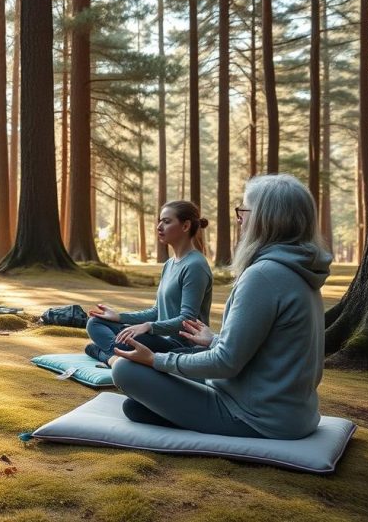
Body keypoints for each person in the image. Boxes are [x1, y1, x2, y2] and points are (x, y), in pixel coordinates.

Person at [112, 174, 331, 439]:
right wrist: (214, 339)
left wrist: (154, 359)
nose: (240, 219)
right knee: (136, 407)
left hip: (256, 416)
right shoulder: (299, 271)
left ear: (266, 218)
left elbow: (226, 363)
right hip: (293, 412)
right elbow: (269, 351)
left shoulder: (263, 275)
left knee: (125, 370)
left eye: (244, 211)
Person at [84, 201, 213, 365]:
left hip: (181, 347)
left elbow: (187, 320)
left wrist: (148, 327)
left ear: (186, 226)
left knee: (97, 346)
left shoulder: (195, 266)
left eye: (166, 222)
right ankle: (115, 357)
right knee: (96, 322)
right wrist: (118, 316)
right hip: (159, 339)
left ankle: (112, 357)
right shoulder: (169, 264)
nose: (159, 226)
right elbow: (157, 311)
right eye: (160, 221)